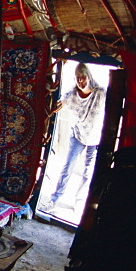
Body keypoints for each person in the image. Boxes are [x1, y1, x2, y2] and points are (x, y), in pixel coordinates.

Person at [43, 62, 106, 209]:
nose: (80, 81)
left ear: (89, 77)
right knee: (68, 167)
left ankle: (80, 203)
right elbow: (63, 99)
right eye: (77, 78)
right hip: (77, 135)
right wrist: (58, 104)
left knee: (88, 173)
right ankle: (55, 199)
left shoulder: (100, 93)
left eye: (83, 77)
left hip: (95, 138)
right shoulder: (72, 94)